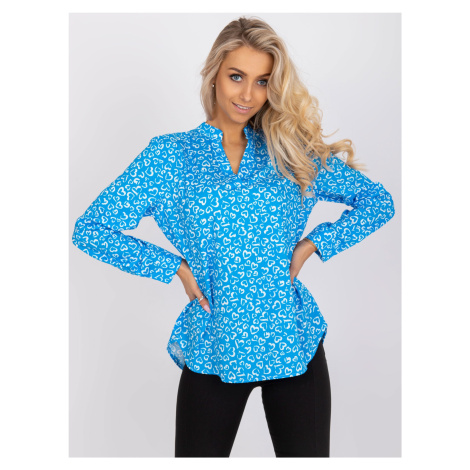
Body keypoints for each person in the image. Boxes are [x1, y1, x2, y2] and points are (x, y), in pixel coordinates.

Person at [72, 16, 395, 458]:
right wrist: (173, 267)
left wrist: (314, 244)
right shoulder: (169, 156)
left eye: (262, 81)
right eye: (236, 76)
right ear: (214, 74)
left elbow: (378, 202)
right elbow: (90, 230)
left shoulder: (288, 150)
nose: (247, 95)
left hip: (291, 339)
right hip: (214, 342)